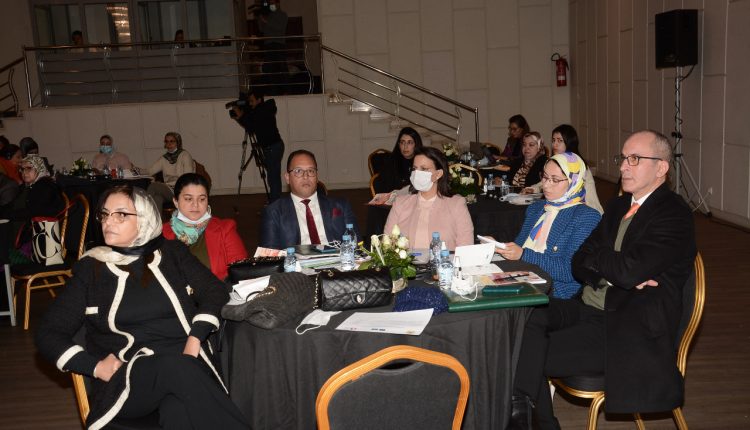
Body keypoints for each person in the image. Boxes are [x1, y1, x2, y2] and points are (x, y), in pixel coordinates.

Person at [509, 130, 697, 429]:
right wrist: (615, 267)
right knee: (523, 319)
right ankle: (536, 421)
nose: (623, 167)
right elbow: (579, 262)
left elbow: (626, 271)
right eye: (623, 158)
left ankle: (528, 421)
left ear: (661, 167)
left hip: (626, 325)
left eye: (634, 159)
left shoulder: (674, 214)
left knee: (522, 352)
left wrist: (607, 263)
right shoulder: (618, 206)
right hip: (589, 306)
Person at [35, 185, 250, 429]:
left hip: (187, 363)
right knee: (175, 367)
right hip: (129, 379)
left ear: (145, 218)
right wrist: (94, 367)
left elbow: (215, 290)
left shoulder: (172, 253)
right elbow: (49, 333)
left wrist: (195, 337)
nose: (108, 222)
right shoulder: (91, 269)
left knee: (178, 412)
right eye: (105, 214)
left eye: (120, 214)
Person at [494, 152, 601, 299]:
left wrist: (523, 255)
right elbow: (520, 245)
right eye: (544, 177)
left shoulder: (586, 216)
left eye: (555, 180)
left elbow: (569, 271)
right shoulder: (536, 208)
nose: (545, 184)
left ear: (573, 181)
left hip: (554, 290)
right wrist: (497, 247)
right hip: (521, 276)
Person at [260, 149, 358, 250]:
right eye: (298, 171)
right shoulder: (274, 212)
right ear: (287, 178)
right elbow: (270, 254)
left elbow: (357, 246)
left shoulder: (341, 205)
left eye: (311, 171)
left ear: (317, 176)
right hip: (294, 259)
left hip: (338, 258)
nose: (306, 176)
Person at [384, 146, 474, 251]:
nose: (417, 173)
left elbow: (466, 248)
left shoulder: (456, 204)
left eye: (424, 169)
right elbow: (387, 245)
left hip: (446, 261)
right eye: (414, 168)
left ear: (438, 174)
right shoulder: (400, 203)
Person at [162, 173, 248, 280]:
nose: (195, 205)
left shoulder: (225, 229)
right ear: (176, 201)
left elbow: (241, 272)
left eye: (202, 199)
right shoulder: (161, 234)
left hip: (220, 289)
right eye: (188, 199)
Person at [523, 124, 603, 214]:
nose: (555, 144)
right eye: (553, 140)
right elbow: (547, 181)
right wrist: (534, 188)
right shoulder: (555, 162)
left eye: (559, 140)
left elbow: (591, 198)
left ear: (569, 142)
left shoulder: (579, 166)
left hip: (580, 211)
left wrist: (594, 215)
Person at [1, 154, 65, 263]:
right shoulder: (29, 186)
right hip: (28, 229)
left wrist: (7, 214)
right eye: (22, 169)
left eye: (29, 168)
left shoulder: (44, 186)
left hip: (38, 236)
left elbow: (32, 212)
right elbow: (13, 205)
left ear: (39, 168)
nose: (24, 172)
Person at [233, 89, 284, 202]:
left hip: (272, 147)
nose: (250, 104)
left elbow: (251, 127)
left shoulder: (261, 111)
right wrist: (241, 116)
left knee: (273, 177)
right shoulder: (262, 109)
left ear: (259, 100)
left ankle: (275, 203)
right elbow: (251, 124)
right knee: (273, 176)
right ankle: (275, 201)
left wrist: (240, 116)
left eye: (252, 101)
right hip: (273, 146)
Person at [147, 131, 195, 211]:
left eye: (172, 141)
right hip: (168, 189)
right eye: (166, 141)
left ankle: (144, 211)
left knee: (154, 186)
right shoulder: (164, 158)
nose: (169, 144)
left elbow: (187, 177)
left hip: (180, 190)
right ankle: (156, 219)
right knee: (157, 198)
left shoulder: (185, 155)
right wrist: (135, 170)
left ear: (178, 143)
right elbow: (150, 171)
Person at [375, 127, 424, 194]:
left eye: (410, 142)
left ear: (416, 145)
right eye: (402, 142)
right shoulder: (391, 162)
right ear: (399, 145)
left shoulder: (423, 161)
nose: (405, 147)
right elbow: (383, 189)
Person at [257, 0, 288, 93]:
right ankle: (274, 91)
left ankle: (286, 90)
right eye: (270, 3)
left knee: (282, 67)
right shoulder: (268, 14)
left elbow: (280, 28)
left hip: (279, 44)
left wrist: (266, 21)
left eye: (273, 3)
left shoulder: (283, 15)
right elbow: (261, 29)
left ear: (278, 3)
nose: (271, 5)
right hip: (268, 44)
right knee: (270, 69)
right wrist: (260, 18)